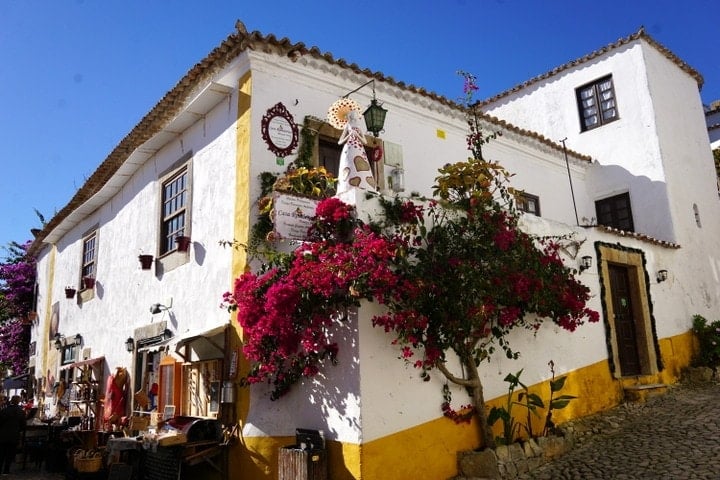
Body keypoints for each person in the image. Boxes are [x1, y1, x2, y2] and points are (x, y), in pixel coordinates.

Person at [337, 110, 376, 194]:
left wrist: (357, 135)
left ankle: (364, 184)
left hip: (359, 148)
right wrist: (349, 135)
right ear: (350, 116)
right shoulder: (348, 125)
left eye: (356, 114)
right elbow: (339, 142)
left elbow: (365, 141)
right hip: (349, 148)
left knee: (360, 164)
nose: (355, 115)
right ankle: (348, 184)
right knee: (350, 164)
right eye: (354, 114)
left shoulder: (358, 126)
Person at [0, 395, 27, 475]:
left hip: (3, 435)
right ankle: (6, 470)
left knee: (1, 454)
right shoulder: (21, 412)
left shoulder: (4, 410)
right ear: (18, 401)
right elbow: (23, 426)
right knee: (9, 454)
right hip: (14, 436)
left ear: (11, 401)